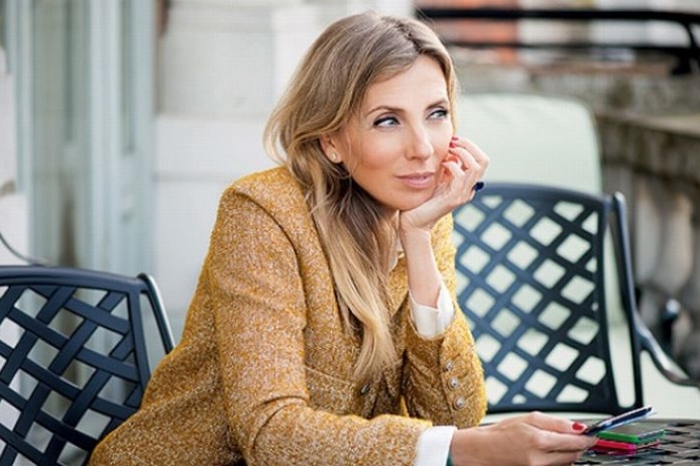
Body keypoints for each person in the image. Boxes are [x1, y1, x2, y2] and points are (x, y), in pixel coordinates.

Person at [90, 11, 595, 466]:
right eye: (388, 120)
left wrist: (418, 241)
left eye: (436, 113)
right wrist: (462, 449)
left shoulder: (423, 215)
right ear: (330, 140)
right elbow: (269, 433)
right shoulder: (262, 214)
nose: (423, 148)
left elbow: (452, 415)